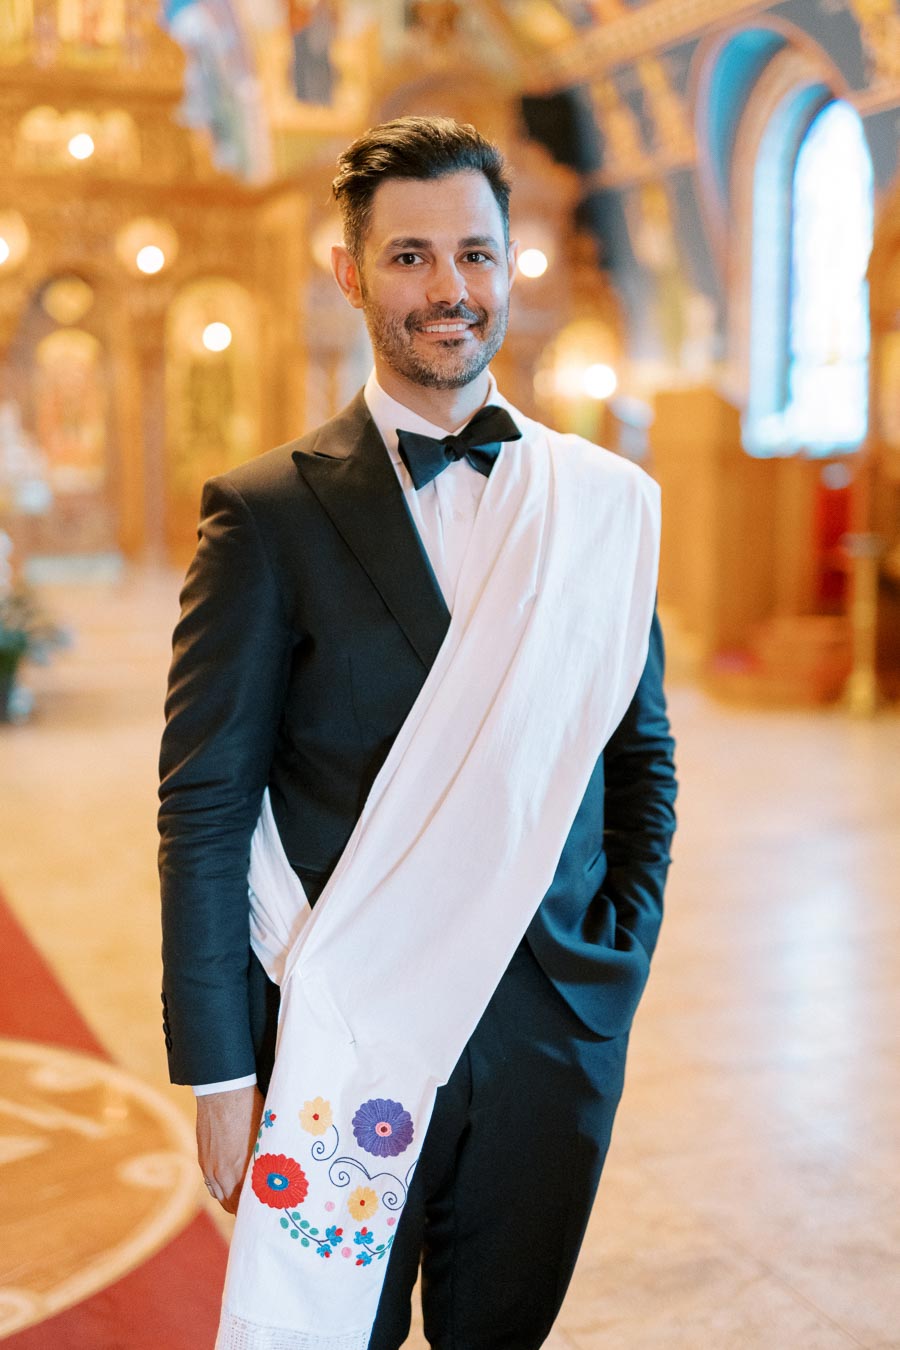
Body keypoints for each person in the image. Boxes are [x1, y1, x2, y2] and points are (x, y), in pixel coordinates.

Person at [159, 115, 677, 1350]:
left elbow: (639, 757)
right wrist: (221, 1068)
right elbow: (206, 803)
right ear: (349, 273)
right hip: (343, 1030)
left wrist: (612, 966)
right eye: (409, 257)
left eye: (477, 254)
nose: (451, 289)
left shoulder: (601, 508)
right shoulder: (268, 513)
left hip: (548, 1032)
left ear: (509, 266)